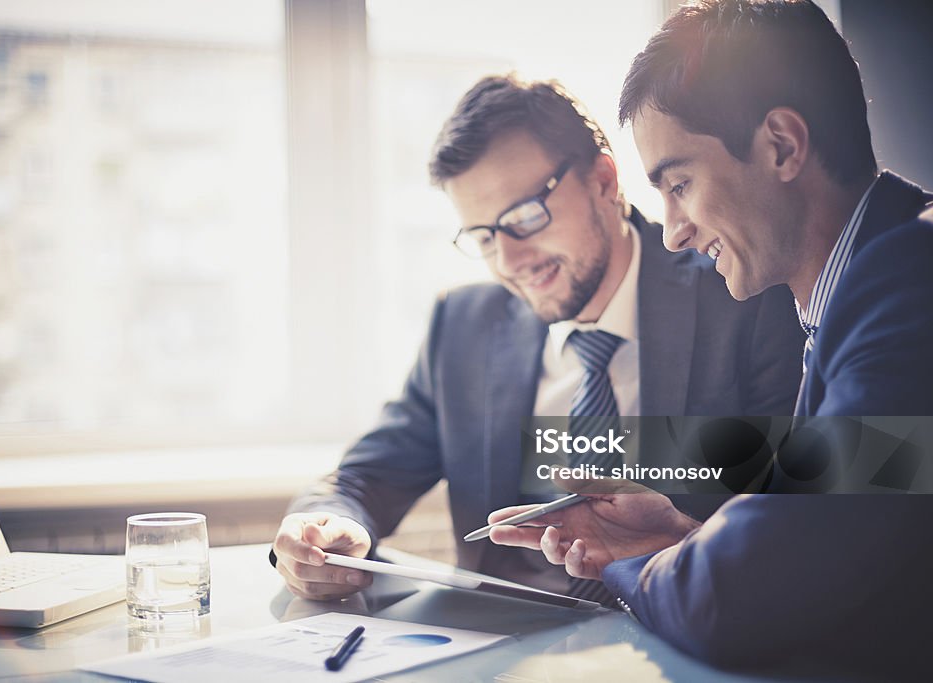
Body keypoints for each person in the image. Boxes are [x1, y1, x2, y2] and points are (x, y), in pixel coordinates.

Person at [488, 1, 932, 677]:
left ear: (782, 145)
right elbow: (830, 547)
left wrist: (639, 561)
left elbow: (747, 593)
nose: (673, 232)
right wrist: (679, 536)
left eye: (681, 184)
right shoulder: (854, 293)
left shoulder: (906, 291)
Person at [271, 74, 804, 605]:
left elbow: (799, 528)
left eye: (525, 217)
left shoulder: (743, 294)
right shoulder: (462, 325)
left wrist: (682, 535)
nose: (509, 261)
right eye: (483, 236)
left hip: (675, 637)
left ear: (602, 180)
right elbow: (365, 476)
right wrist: (322, 526)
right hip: (501, 649)